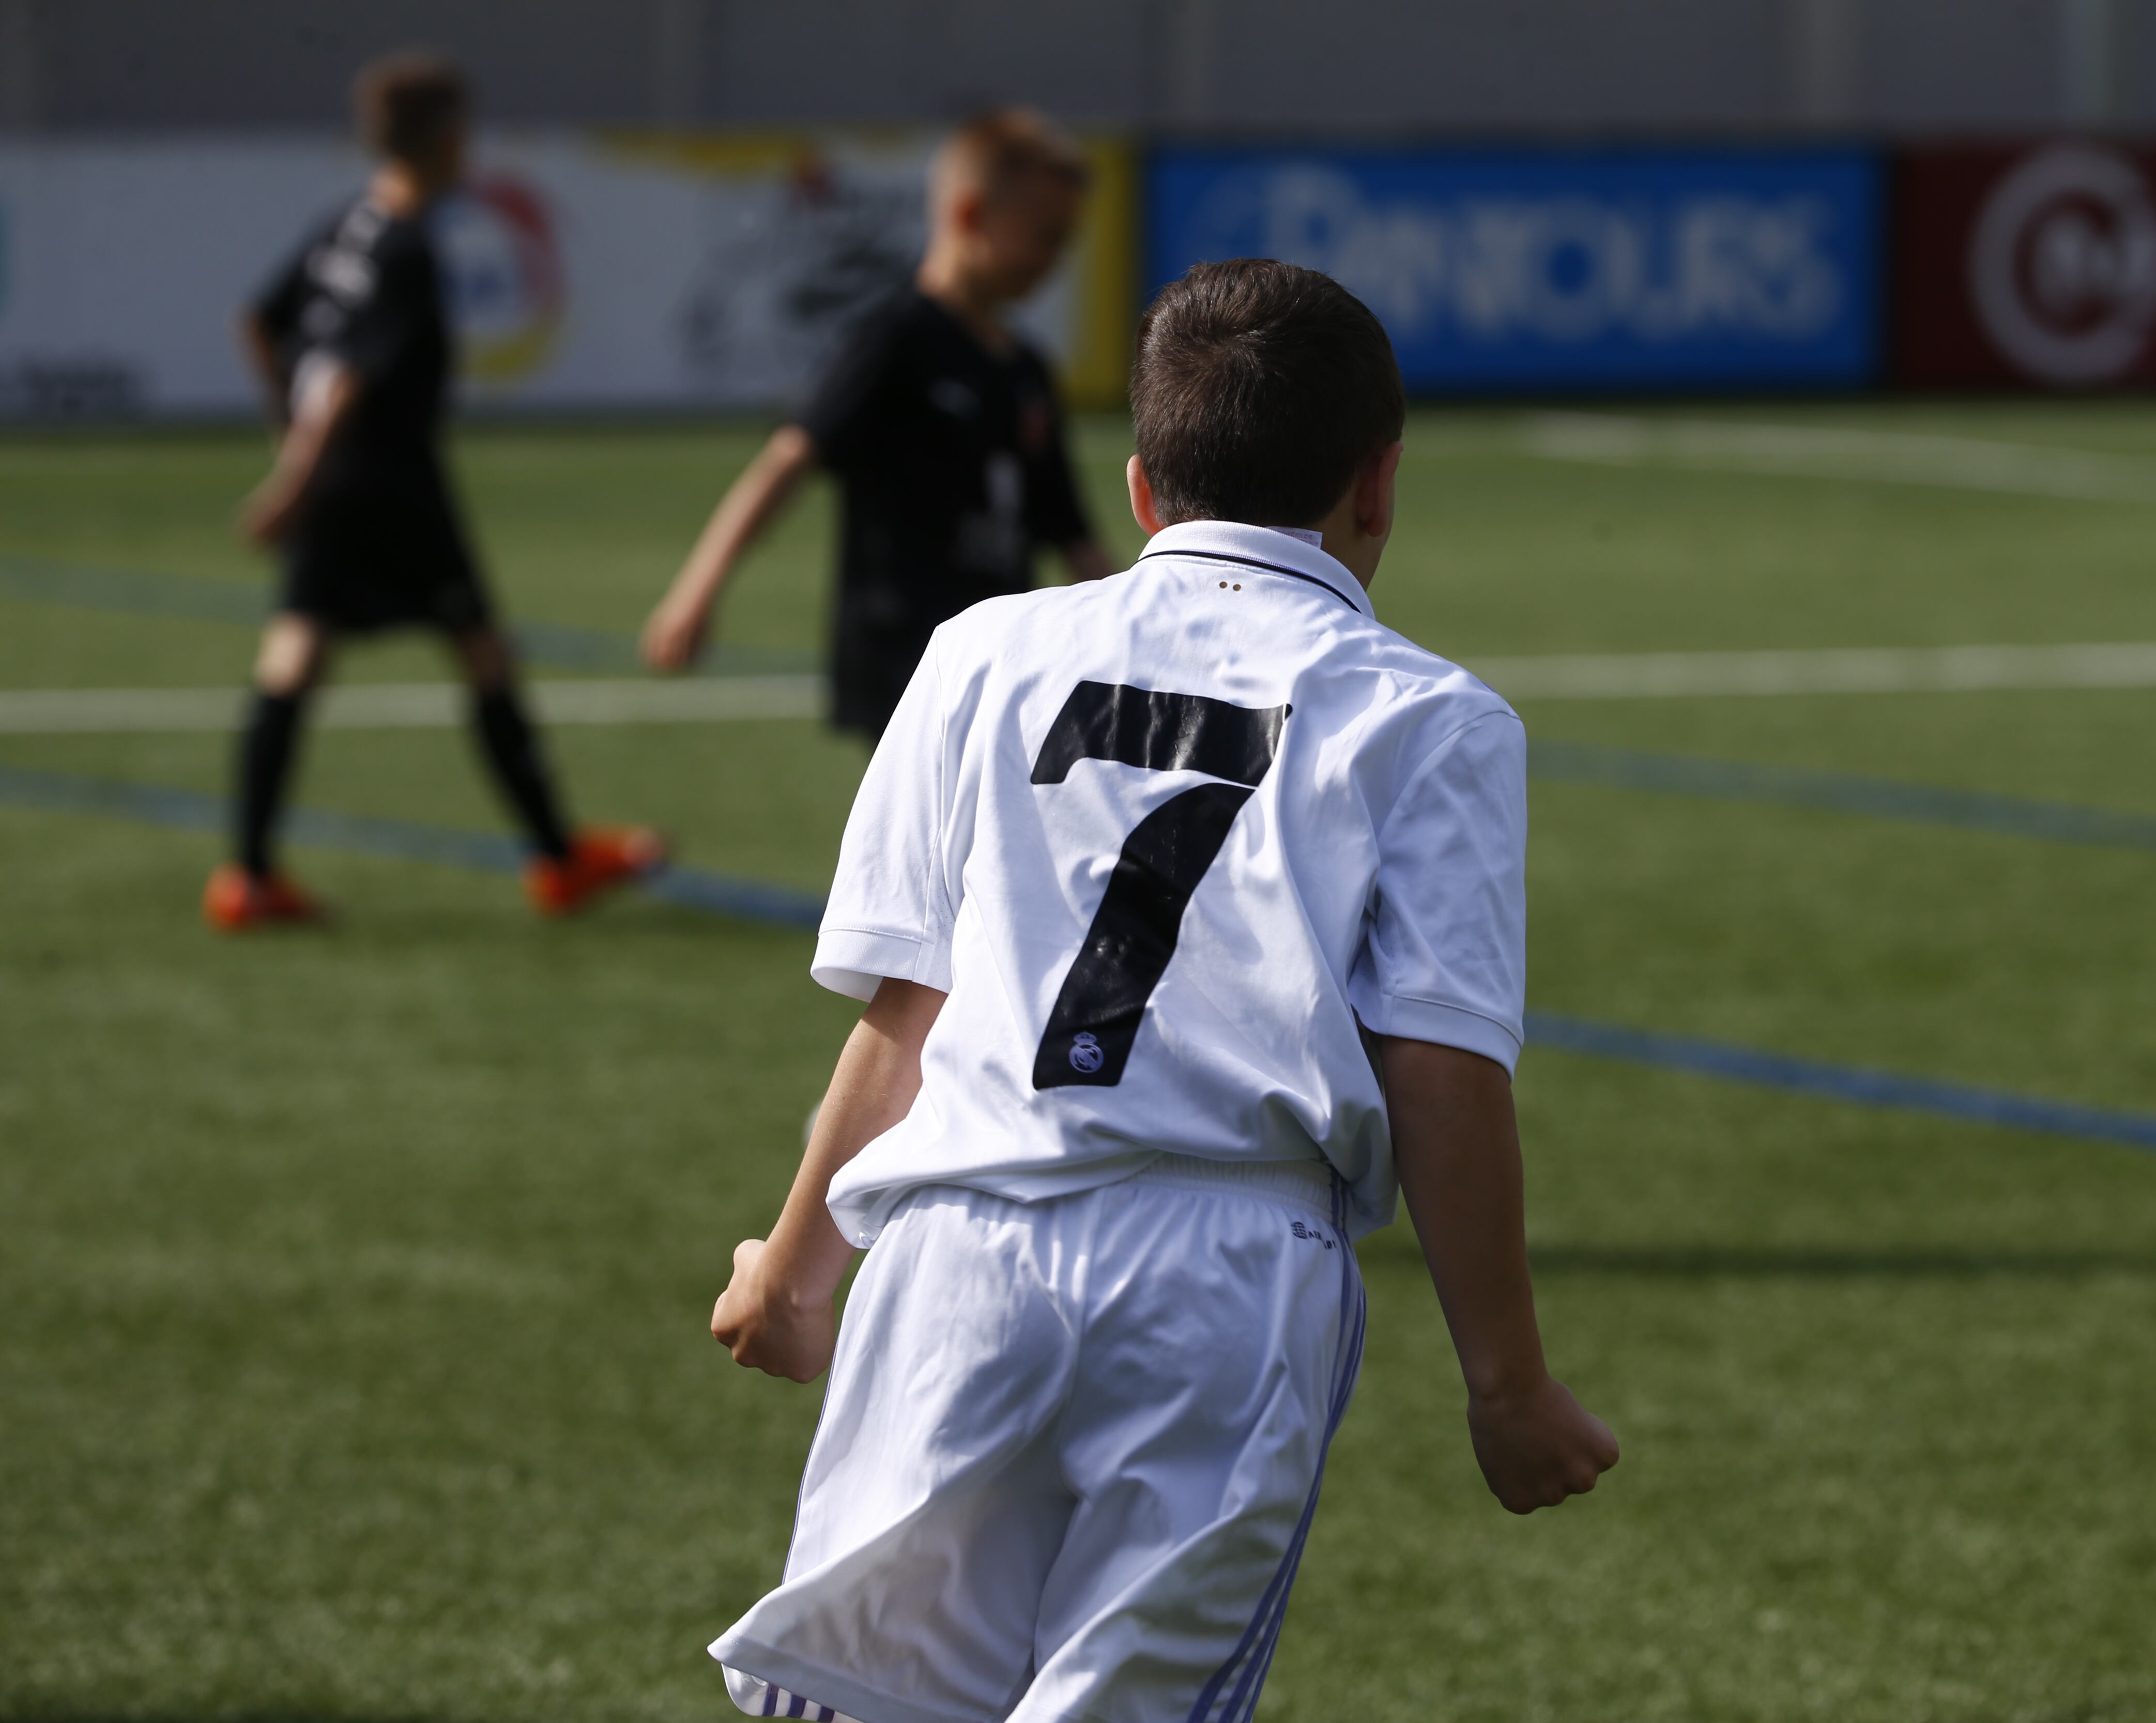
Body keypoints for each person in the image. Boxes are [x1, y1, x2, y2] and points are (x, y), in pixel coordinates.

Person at [702, 259, 1619, 1723]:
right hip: (1228, 1273)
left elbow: (907, 1016)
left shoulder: (982, 651)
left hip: (959, 1251)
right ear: (1378, 487)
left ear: (1139, 488)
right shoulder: (1430, 715)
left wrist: (797, 1266)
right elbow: (1443, 1071)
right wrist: (1507, 1385)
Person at [210, 51, 660, 929]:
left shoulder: (353, 218)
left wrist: (290, 442)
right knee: (483, 652)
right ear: (452, 139)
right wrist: (297, 475)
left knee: (296, 658)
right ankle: (558, 858)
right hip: (388, 482)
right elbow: (346, 380)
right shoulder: (410, 246)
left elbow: (259, 324)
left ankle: (247, 874)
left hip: (342, 478)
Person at [643, 110, 1114, 737]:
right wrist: (696, 592)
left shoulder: (1026, 370)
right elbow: (789, 459)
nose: (1054, 258)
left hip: (1002, 653)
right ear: (971, 216)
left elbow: (1068, 529)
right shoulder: (895, 341)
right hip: (905, 657)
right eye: (1044, 235)